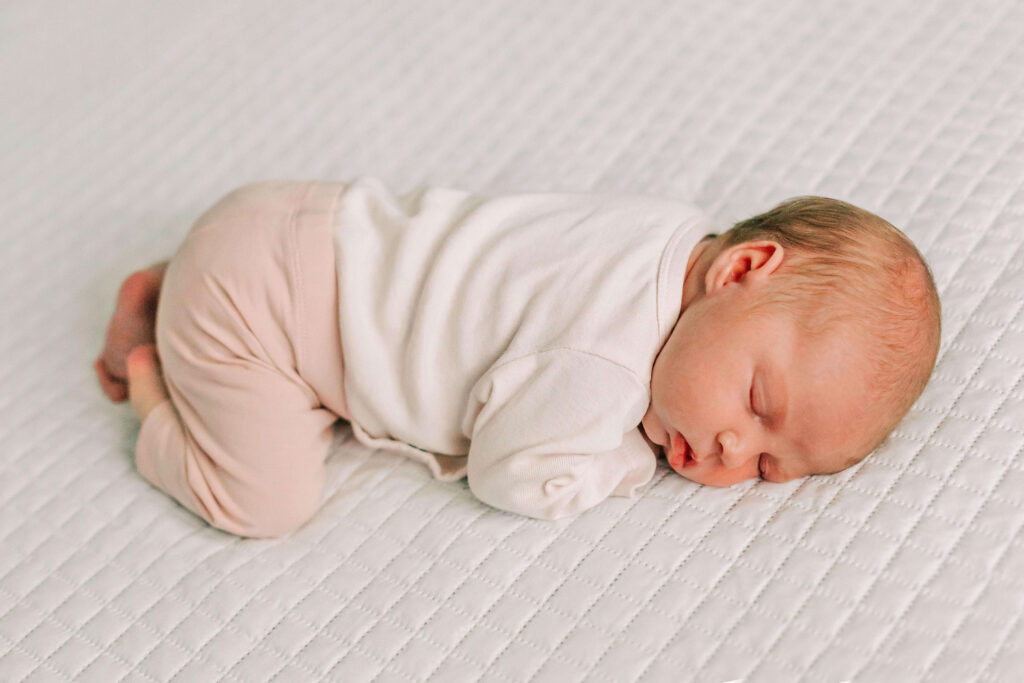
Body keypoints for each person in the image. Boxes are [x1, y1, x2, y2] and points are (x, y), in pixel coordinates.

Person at [95, 178, 941, 537]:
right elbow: (510, 474)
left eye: (767, 467)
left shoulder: (665, 229)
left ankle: (175, 287)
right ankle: (154, 381)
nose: (729, 449)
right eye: (758, 403)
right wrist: (624, 459)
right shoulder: (605, 366)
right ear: (744, 268)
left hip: (300, 217)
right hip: (263, 311)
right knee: (266, 500)